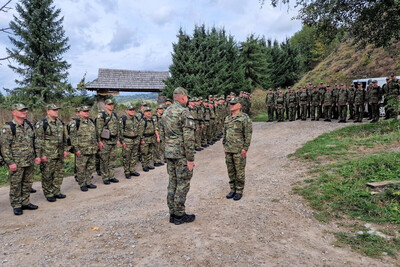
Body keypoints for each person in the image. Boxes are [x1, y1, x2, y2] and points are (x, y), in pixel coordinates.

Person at [160, 87, 196, 225]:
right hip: (181, 155)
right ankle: (179, 215)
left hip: (170, 153)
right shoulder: (184, 112)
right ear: (182, 97)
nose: (187, 100)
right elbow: (188, 138)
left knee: (172, 183)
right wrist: (190, 159)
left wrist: (167, 150)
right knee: (182, 184)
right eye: (186, 97)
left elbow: (162, 134)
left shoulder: (166, 112)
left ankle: (172, 214)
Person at [1, 104, 41, 215]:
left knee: (27, 183)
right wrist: (10, 162)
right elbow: (5, 147)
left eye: (25, 110)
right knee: (16, 184)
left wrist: (37, 156)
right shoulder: (8, 127)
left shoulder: (29, 125)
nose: (24, 112)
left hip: (29, 160)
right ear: (14, 112)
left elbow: (35, 142)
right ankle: (16, 205)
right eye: (21, 110)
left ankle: (25, 202)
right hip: (16, 162)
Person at [35, 104, 69, 202]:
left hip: (59, 153)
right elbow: (38, 141)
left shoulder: (60, 122)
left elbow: (64, 138)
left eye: (57, 110)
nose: (56, 111)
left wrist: (65, 150)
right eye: (54, 110)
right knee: (47, 175)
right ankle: (49, 193)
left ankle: (56, 191)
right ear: (48, 111)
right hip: (48, 154)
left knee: (59, 174)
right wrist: (40, 155)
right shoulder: (42, 123)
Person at [223, 97, 252, 201]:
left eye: (234, 104)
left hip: (239, 150)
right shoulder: (227, 118)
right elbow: (225, 133)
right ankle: (232, 189)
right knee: (230, 171)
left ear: (239, 105)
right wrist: (224, 145)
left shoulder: (244, 118)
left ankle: (239, 190)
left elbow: (248, 134)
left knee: (239, 171)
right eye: (231, 104)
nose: (231, 105)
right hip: (229, 149)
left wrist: (245, 148)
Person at [69, 106, 98, 191]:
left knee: (90, 167)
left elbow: (94, 135)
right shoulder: (75, 123)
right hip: (82, 150)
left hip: (91, 149)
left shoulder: (91, 121)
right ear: (80, 112)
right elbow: (72, 137)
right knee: (81, 168)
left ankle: (89, 182)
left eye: (87, 111)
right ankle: (82, 184)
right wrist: (76, 149)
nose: (86, 112)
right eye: (84, 111)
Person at [96, 99, 120, 185]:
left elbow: (117, 128)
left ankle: (111, 176)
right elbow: (98, 129)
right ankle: (105, 177)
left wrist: (117, 139)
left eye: (112, 104)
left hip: (113, 140)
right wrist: (99, 141)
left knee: (112, 159)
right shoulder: (102, 115)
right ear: (105, 105)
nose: (111, 106)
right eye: (109, 104)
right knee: (104, 160)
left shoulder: (114, 115)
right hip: (105, 141)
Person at [120, 104, 142, 178]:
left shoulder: (136, 118)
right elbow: (120, 131)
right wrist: (122, 141)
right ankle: (127, 171)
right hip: (127, 140)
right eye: (130, 110)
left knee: (134, 156)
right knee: (127, 156)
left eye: (133, 110)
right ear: (126, 111)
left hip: (135, 139)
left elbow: (139, 129)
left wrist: (138, 139)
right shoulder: (123, 118)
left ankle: (132, 170)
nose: (132, 111)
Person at [140, 107, 159, 172]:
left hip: (151, 138)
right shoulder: (143, 121)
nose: (149, 112)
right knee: (144, 153)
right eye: (147, 111)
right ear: (144, 113)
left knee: (150, 152)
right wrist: (141, 140)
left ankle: (148, 164)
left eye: (149, 111)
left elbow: (155, 129)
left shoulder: (152, 120)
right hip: (145, 139)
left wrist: (157, 137)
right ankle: (144, 166)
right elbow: (140, 132)